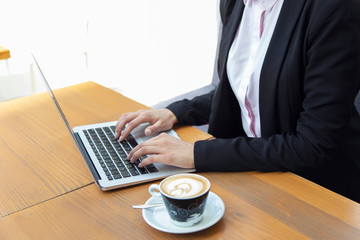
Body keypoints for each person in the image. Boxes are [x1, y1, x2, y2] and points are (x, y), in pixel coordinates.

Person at [115, 0, 360, 203]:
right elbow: (245, 91)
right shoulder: (235, 4)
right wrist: (175, 112)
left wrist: (196, 153)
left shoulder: (333, 8)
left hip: (314, 188)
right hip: (252, 170)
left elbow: (313, 145)